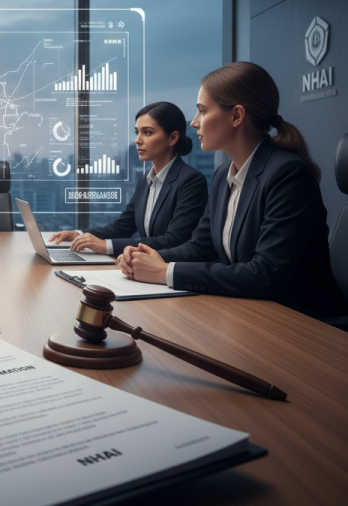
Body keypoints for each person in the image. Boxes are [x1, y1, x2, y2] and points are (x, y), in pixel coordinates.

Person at [118, 62, 346, 318]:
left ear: (236, 116)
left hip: (300, 321)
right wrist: (147, 255)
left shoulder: (288, 174)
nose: (194, 123)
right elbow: (201, 247)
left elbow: (265, 274)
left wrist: (164, 272)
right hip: (247, 311)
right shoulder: (222, 175)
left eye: (202, 111)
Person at [49, 101, 208, 256]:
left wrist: (106, 246)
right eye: (137, 132)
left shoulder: (191, 181)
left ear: (172, 138)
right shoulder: (145, 180)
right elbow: (122, 227)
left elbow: (174, 240)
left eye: (147, 132)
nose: (138, 140)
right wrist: (78, 234)